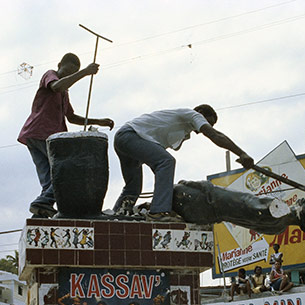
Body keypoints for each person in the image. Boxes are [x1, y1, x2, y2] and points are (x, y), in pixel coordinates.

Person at [111, 105, 254, 221]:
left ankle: (116, 214)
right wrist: (241, 153)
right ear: (201, 113)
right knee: (166, 162)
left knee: (133, 187)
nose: (201, 131)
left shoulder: (183, 128)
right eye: (208, 123)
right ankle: (158, 212)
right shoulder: (192, 114)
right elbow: (215, 135)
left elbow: (155, 151)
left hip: (123, 139)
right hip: (131, 136)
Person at [18, 52, 114, 218]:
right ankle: (42, 202)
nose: (69, 76)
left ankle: (41, 212)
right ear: (59, 65)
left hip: (35, 135)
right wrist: (84, 72)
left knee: (50, 179)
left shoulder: (64, 93)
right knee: (65, 172)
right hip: (42, 133)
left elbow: (71, 117)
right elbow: (56, 86)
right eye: (67, 71)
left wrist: (99, 121)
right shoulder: (51, 75)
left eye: (72, 73)